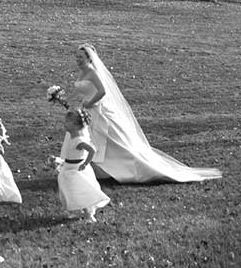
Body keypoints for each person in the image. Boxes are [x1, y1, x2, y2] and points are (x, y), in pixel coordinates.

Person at [68, 43, 222, 183]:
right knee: (91, 139)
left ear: (89, 58)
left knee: (113, 141)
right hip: (87, 111)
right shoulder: (82, 73)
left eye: (80, 57)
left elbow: (102, 91)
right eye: (76, 57)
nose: (78, 60)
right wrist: (65, 99)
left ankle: (130, 167)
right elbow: (81, 90)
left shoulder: (93, 73)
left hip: (98, 110)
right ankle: (96, 169)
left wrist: (90, 103)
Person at [51, 109, 110, 222]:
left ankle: (89, 214)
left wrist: (85, 163)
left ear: (75, 125)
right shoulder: (72, 138)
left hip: (77, 171)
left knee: (81, 191)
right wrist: (59, 161)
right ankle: (76, 210)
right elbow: (71, 156)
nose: (65, 123)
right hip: (69, 168)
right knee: (70, 191)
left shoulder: (79, 140)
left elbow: (92, 150)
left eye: (67, 122)